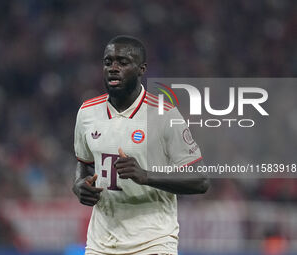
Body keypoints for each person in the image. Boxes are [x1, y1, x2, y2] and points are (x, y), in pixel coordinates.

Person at [72, 35, 209, 255]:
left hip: (153, 242)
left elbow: (200, 180)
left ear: (141, 69)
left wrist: (146, 176)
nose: (113, 68)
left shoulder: (164, 114)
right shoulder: (87, 112)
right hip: (101, 244)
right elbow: (84, 163)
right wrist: (79, 185)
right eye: (108, 62)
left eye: (123, 62)